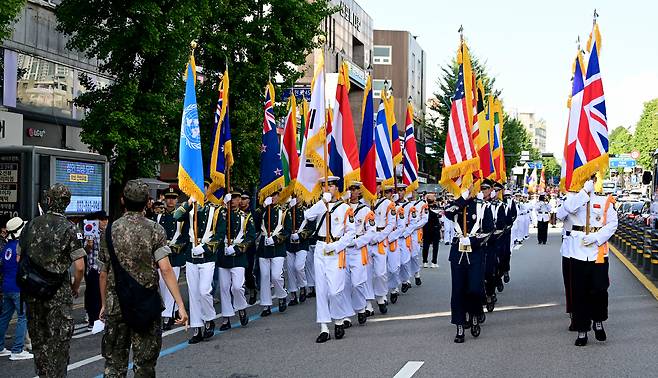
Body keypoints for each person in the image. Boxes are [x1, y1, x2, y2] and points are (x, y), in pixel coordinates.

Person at [99, 179, 189, 376]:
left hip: (117, 304)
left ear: (123, 200)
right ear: (148, 202)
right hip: (146, 303)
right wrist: (180, 305)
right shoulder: (155, 230)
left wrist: (105, 304)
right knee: (145, 365)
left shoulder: (109, 231)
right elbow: (166, 269)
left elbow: (103, 273)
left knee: (114, 364)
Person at [20, 184, 86, 377]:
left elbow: (20, 257)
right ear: (67, 203)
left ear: (48, 200)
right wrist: (74, 286)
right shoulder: (69, 228)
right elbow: (80, 267)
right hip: (58, 293)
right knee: (58, 343)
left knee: (39, 341)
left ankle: (42, 374)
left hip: (33, 291)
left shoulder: (31, 225)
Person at [560, 177, 617, 346]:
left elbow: (613, 223)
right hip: (576, 252)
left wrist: (597, 237)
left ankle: (598, 321)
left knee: (599, 289)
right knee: (579, 292)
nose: (589, 181)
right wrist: (584, 192)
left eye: (591, 179)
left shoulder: (605, 199)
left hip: (597, 252)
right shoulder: (572, 198)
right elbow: (566, 210)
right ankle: (582, 330)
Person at [303, 177, 356, 342]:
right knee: (321, 289)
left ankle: (339, 319)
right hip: (320, 248)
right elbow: (308, 216)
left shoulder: (345, 208)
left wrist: (336, 246)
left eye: (330, 186)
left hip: (335, 249)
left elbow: (351, 233)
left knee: (335, 290)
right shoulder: (320, 205)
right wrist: (322, 202)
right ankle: (324, 327)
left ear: (336, 188)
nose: (327, 188)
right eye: (324, 186)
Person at [444, 180, 494, 343]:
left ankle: (474, 315)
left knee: (474, 288)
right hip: (458, 254)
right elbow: (448, 213)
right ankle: (459, 326)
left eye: (470, 185)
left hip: (475, 253)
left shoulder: (482, 207)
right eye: (465, 186)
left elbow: (488, 230)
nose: (468, 188)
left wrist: (473, 242)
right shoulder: (456, 205)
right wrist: (463, 199)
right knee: (458, 290)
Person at [174, 183, 219, 344]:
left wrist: (205, 248)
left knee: (204, 291)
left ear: (208, 190)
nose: (202, 190)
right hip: (191, 257)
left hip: (207, 258)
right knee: (193, 293)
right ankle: (197, 328)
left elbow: (219, 235)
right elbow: (176, 217)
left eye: (204, 187)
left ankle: (209, 319)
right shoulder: (190, 207)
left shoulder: (216, 209)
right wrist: (188, 203)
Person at [216, 189, 256, 331]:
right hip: (223, 257)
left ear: (240, 200)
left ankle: (241, 307)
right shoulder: (221, 215)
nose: (233, 200)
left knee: (237, 287)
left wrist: (238, 248)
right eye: (231, 198)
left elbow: (251, 236)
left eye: (236, 198)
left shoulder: (246, 217)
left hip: (238, 257)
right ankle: (226, 318)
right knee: (225, 288)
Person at [0, 217, 33, 360]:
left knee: (4, 317)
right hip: (19, 287)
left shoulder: (6, 247)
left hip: (6, 286)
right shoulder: (21, 247)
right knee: (22, 317)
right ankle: (17, 349)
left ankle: (0, 346)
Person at [344, 182, 376, 324]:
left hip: (358, 249)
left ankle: (361, 307)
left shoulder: (366, 211)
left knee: (357, 283)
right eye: (351, 189)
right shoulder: (341, 208)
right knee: (344, 284)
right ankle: (345, 315)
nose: (353, 192)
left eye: (356, 189)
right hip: (342, 249)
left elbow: (371, 232)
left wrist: (357, 242)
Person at [256, 190, 289, 316]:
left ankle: (281, 295)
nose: (273, 197)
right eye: (270, 195)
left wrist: (275, 239)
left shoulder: (284, 212)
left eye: (275, 195)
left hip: (277, 247)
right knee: (264, 277)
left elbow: (287, 231)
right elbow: (255, 221)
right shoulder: (262, 210)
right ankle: (266, 305)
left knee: (276, 275)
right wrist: (263, 207)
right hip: (264, 246)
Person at [158, 187, 185, 330]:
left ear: (177, 200)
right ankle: (171, 311)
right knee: (162, 286)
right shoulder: (158, 216)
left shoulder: (181, 216)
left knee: (170, 287)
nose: (170, 201)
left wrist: (174, 248)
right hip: (161, 257)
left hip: (175, 256)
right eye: (168, 198)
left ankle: (167, 317)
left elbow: (185, 237)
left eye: (173, 198)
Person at [370, 182, 396, 314]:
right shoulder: (362, 203)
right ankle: (367, 303)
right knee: (366, 274)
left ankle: (381, 296)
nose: (376, 187)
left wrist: (380, 237)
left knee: (380, 273)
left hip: (380, 239)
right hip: (364, 241)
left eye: (378, 184)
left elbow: (391, 224)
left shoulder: (388, 204)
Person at [83, 211, 108, 331]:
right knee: (94, 296)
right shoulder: (91, 232)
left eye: (106, 219)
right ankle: (93, 320)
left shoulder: (107, 233)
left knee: (102, 295)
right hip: (93, 268)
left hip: (105, 268)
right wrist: (89, 244)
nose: (105, 222)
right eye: (102, 219)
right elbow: (86, 250)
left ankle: (101, 319)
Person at [284, 195, 311, 306]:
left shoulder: (307, 211)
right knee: (290, 269)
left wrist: (301, 235)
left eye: (299, 195)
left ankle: (302, 286)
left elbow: (311, 227)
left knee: (298, 267)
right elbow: (283, 226)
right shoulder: (288, 212)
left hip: (302, 244)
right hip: (290, 244)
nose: (297, 198)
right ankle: (293, 294)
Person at [239, 192, 259, 305]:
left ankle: (252, 289)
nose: (242, 201)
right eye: (240, 198)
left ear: (249, 200)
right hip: (236, 246)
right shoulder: (235, 212)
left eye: (244, 198)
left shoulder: (254, 214)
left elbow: (255, 230)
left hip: (249, 247)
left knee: (248, 271)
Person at [422, 193, 442, 268]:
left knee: (426, 245)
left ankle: (425, 261)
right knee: (435, 246)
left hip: (426, 228)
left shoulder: (424, 207)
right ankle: (434, 262)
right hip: (435, 228)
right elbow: (440, 215)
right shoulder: (436, 207)